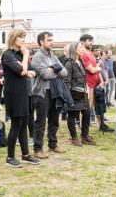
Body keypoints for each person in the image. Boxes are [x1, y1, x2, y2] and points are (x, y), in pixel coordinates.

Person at [2, 29, 40, 168]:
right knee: (16, 125)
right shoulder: (8, 55)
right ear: (13, 38)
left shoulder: (20, 55)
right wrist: (25, 57)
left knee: (24, 124)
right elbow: (22, 71)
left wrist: (26, 70)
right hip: (15, 95)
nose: (23, 40)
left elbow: (33, 71)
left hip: (26, 93)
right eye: (20, 37)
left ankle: (25, 154)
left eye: (24, 37)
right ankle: (10, 157)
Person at [31, 31, 68, 159]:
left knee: (54, 120)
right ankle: (37, 148)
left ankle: (53, 144)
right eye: (49, 40)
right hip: (42, 93)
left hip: (54, 92)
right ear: (41, 42)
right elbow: (45, 75)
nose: (51, 42)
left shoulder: (53, 56)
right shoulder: (37, 57)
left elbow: (65, 72)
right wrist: (55, 69)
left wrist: (53, 69)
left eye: (52, 39)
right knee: (40, 122)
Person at [64, 42, 96, 146]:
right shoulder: (69, 63)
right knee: (72, 116)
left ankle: (84, 136)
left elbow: (83, 77)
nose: (82, 49)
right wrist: (69, 96)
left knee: (86, 113)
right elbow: (67, 81)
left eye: (82, 47)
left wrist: (86, 86)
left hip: (83, 93)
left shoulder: (81, 61)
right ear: (74, 49)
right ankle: (74, 138)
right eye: (80, 47)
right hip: (73, 94)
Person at [80, 34, 114, 132]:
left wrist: (100, 81)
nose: (91, 43)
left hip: (96, 84)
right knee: (87, 108)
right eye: (89, 40)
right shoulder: (83, 54)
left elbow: (95, 70)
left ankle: (102, 125)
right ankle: (83, 129)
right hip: (88, 85)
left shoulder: (90, 53)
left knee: (98, 107)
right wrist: (98, 68)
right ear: (83, 41)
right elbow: (91, 70)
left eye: (92, 41)